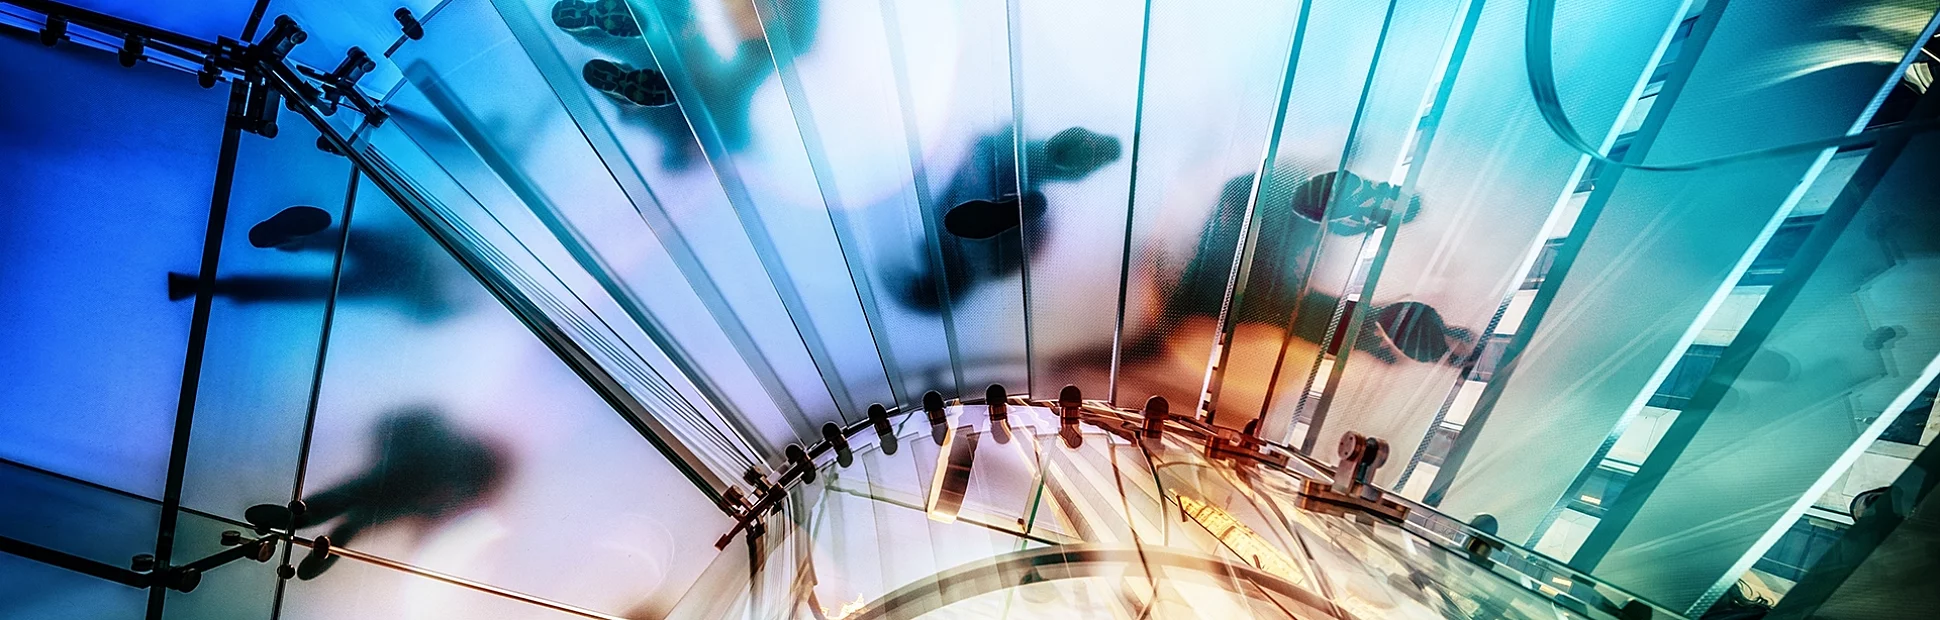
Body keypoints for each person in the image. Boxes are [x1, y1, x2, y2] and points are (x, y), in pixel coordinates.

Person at [246, 407, 508, 579]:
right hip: (404, 493)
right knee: (354, 520)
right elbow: (441, 510)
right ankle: (323, 536)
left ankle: (306, 520)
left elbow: (394, 424)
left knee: (347, 501)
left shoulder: (444, 435)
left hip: (395, 479)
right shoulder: (459, 468)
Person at [899, 126, 1123, 311]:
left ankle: (1064, 159)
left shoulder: (987, 266)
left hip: (1006, 186)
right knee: (1027, 165)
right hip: (1003, 183)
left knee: (1028, 164)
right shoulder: (971, 251)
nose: (923, 251)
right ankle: (1061, 159)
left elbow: (963, 175)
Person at [167, 205, 460, 322]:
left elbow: (428, 308)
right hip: (400, 271)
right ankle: (202, 286)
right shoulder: (463, 290)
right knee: (309, 288)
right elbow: (428, 309)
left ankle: (293, 240)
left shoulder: (459, 280)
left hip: (401, 267)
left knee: (315, 280)